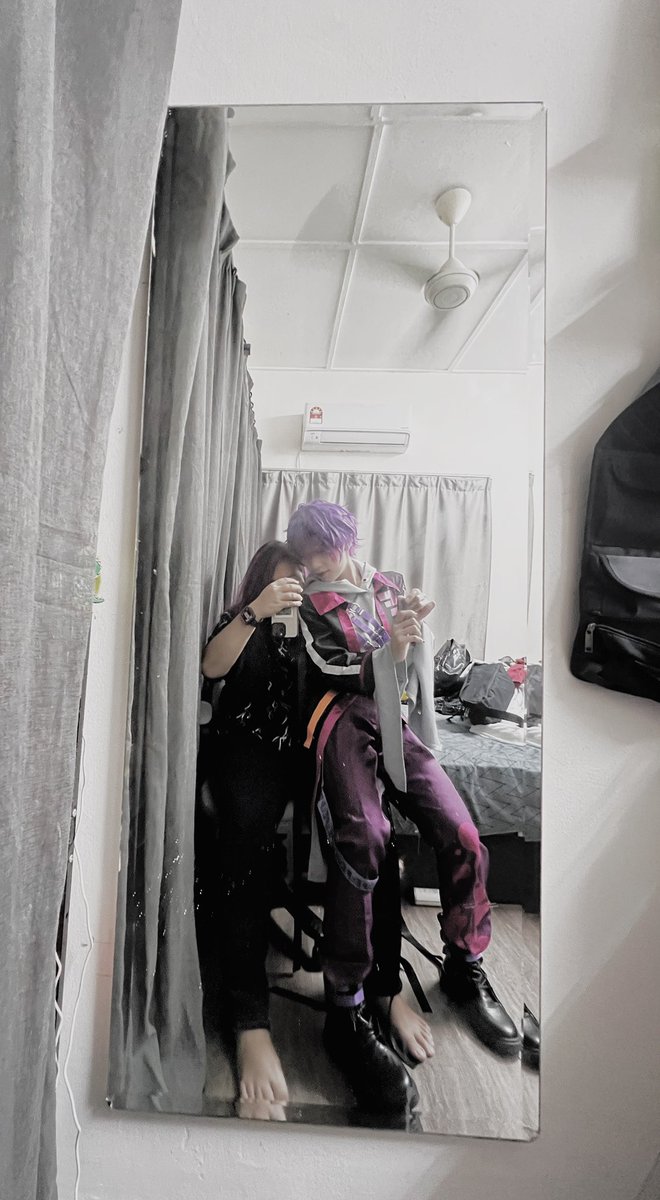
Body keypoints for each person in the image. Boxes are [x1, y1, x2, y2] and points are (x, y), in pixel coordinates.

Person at [286, 500, 521, 1102]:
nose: (317, 563)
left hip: (396, 717)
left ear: (347, 540)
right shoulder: (312, 605)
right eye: (308, 554)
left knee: (463, 833)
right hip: (340, 716)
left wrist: (414, 624)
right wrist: (391, 647)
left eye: (325, 549)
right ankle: (346, 1004)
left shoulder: (385, 584)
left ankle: (464, 966)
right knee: (363, 838)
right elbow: (339, 671)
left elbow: (415, 663)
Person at [200, 541, 305, 1108]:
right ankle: (249, 1018)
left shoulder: (314, 628)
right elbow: (211, 665)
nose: (291, 594)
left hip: (301, 752)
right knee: (245, 834)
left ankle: (373, 995)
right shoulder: (241, 620)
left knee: (367, 819)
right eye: (281, 584)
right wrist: (256, 611)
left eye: (298, 586)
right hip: (245, 748)